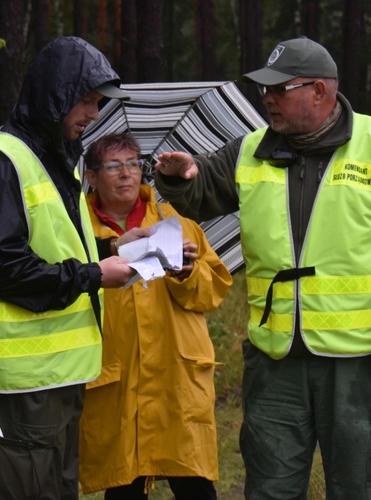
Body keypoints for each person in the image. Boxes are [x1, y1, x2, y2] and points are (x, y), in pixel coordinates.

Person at [154, 37, 371, 499]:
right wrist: (178, 177)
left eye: (279, 88)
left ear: (320, 91)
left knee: (360, 488)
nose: (267, 98)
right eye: (263, 90)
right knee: (270, 488)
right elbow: (201, 191)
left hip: (360, 362)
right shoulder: (250, 149)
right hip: (275, 364)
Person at [0, 36, 137, 500]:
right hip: (21, 386)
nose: (94, 115)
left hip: (60, 378)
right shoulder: (2, 164)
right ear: (56, 95)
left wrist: (116, 246)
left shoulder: (57, 161)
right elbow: (7, 270)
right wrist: (95, 276)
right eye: (87, 101)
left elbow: (61, 248)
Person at [77, 133, 233, 499]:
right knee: (123, 485)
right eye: (114, 166)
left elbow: (213, 291)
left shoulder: (175, 223)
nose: (127, 174)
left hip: (175, 377)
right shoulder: (76, 230)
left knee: (195, 484)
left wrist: (187, 274)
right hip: (115, 376)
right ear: (92, 177)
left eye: (133, 164)